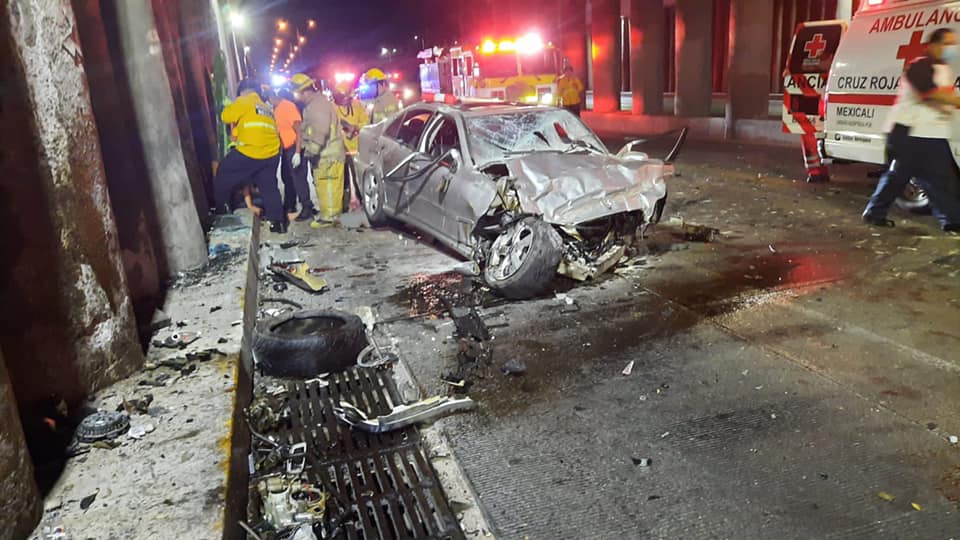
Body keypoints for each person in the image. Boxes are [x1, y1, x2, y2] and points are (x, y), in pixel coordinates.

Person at [862, 28, 960, 232]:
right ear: (934, 45)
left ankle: (952, 220)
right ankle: (874, 212)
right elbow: (931, 94)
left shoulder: (944, 68)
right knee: (898, 176)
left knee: (940, 179)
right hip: (909, 133)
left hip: (934, 134)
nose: (952, 48)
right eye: (948, 43)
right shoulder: (919, 66)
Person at [214, 78, 286, 233]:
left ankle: (223, 213)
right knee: (269, 187)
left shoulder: (244, 101)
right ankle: (277, 223)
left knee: (223, 175)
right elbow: (252, 126)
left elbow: (226, 117)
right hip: (272, 153)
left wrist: (227, 106)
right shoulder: (265, 108)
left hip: (251, 151)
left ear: (243, 91)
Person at [294, 74, 345, 224]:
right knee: (323, 185)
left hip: (328, 155)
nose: (296, 97)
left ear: (304, 92)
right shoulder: (314, 104)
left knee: (329, 186)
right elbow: (310, 128)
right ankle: (327, 215)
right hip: (325, 155)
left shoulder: (317, 106)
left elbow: (321, 130)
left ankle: (329, 218)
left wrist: (312, 151)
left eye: (297, 93)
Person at [268, 87, 316, 221]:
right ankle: (290, 205)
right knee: (287, 177)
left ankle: (307, 207)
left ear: (273, 97)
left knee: (298, 179)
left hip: (295, 147)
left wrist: (297, 152)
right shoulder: (276, 109)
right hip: (286, 149)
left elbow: (299, 129)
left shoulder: (287, 107)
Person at [333, 81, 370, 211]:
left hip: (356, 147)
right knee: (341, 180)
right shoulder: (333, 107)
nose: (341, 100)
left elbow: (365, 122)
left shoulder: (357, 105)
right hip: (340, 148)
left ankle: (362, 201)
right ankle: (343, 204)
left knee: (359, 178)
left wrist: (355, 128)